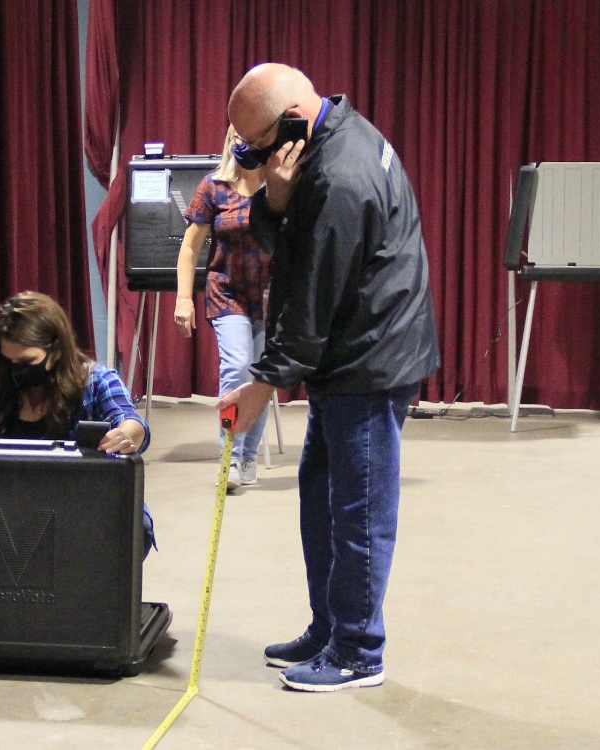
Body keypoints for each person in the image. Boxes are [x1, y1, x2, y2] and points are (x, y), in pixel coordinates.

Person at [219, 64, 440, 692]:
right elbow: (288, 236)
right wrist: (279, 198)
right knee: (319, 494)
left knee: (359, 510)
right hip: (346, 359)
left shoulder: (342, 174)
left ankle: (358, 652)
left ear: (288, 123)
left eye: (252, 145)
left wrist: (259, 388)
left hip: (369, 363)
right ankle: (331, 626)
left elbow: (310, 303)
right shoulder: (319, 144)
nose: (250, 158)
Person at [0, 290, 156, 555]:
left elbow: (132, 424)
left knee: (133, 527)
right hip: (3, 501)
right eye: (7, 361)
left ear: (56, 351)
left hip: (77, 503)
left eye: (26, 362)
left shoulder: (96, 382)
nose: (15, 370)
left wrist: (125, 435)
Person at [174, 126, 272, 492]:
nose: (241, 143)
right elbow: (190, 248)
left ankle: (247, 459)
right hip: (227, 292)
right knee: (236, 367)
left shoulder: (278, 187)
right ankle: (228, 459)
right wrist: (184, 298)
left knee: (263, 376)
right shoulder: (213, 187)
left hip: (269, 298)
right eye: (235, 136)